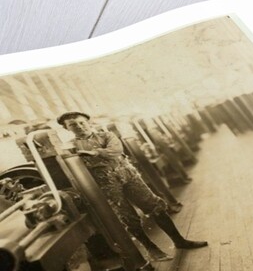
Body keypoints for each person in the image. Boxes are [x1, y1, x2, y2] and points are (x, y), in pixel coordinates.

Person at [57, 111, 208, 262]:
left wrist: (94, 152)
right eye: (73, 125)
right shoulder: (71, 147)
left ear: (88, 122)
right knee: (128, 217)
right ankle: (152, 249)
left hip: (128, 175)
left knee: (155, 206)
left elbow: (116, 150)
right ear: (67, 128)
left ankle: (179, 241)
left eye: (81, 122)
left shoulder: (107, 136)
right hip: (106, 184)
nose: (79, 126)